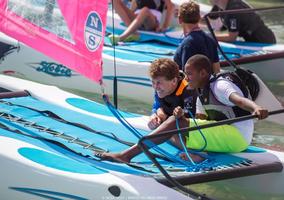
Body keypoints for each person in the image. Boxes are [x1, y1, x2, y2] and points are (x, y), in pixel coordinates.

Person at [96, 54, 269, 163]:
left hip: (237, 136)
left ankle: (126, 155)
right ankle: (200, 154)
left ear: (203, 73)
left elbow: (239, 101)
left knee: (172, 124)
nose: (186, 78)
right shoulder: (201, 92)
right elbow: (201, 122)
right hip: (224, 134)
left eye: (190, 74)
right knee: (174, 128)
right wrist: (182, 118)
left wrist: (256, 108)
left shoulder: (220, 86)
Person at [152, 0, 220, 124]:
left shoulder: (187, 44)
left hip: (189, 99)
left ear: (179, 19)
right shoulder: (210, 39)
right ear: (199, 18)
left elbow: (185, 78)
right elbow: (216, 69)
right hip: (209, 94)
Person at [147, 58, 197, 130]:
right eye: (153, 82)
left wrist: (165, 119)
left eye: (159, 82)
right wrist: (154, 114)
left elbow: (189, 122)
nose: (155, 87)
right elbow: (157, 105)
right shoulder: (161, 89)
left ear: (174, 81)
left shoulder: (188, 91)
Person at [208, 0, 276, 43]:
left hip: (262, 40)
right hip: (249, 39)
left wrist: (210, 37)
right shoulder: (219, 6)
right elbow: (207, 19)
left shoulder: (233, 9)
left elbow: (231, 38)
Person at [109, 0, 174, 45]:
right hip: (138, 17)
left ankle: (122, 37)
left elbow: (171, 6)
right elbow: (133, 10)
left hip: (152, 21)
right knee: (115, 1)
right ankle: (132, 31)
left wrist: (164, 27)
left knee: (145, 10)